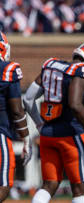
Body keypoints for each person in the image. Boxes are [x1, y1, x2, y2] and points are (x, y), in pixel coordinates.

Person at [23, 42, 84, 203]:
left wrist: (40, 124)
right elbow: (75, 104)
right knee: (80, 188)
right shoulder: (82, 70)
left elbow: (28, 99)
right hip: (71, 135)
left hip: (48, 135)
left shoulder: (51, 65)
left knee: (48, 185)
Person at [0, 31, 32, 201]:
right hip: (0, 135)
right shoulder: (8, 69)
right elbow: (17, 110)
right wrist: (26, 139)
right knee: (3, 185)